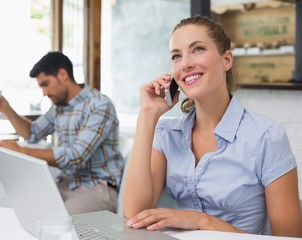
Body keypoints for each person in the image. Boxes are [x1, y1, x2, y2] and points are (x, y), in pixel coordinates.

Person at [123, 15, 302, 237]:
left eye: (197, 49)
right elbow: (134, 215)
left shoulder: (266, 137)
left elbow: (289, 237)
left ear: (226, 60)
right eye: (176, 56)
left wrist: (200, 220)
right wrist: (148, 115)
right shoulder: (167, 134)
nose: (185, 63)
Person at [0, 51, 124, 214]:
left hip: (97, 187)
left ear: (62, 74)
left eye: (46, 84)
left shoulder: (99, 105)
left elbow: (75, 156)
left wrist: (20, 151)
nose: (44, 93)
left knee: (57, 226)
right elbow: (32, 134)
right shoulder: (58, 108)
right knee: (22, 212)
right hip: (66, 183)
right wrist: (6, 109)